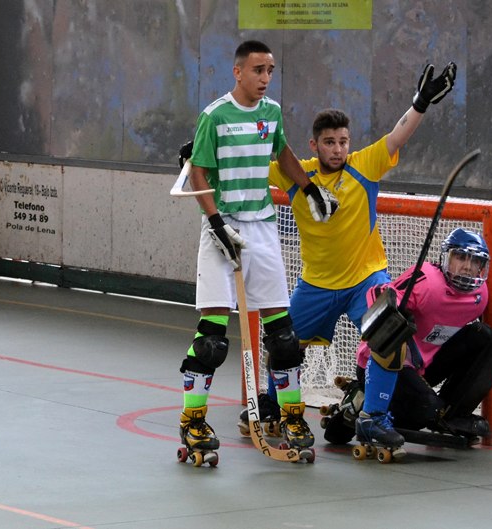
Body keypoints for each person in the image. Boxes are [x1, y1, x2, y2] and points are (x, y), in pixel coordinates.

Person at [252, 62, 457, 428]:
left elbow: (397, 137)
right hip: (316, 284)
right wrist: (202, 155)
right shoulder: (297, 173)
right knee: (283, 342)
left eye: (343, 142)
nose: (338, 149)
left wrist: (421, 102)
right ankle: (273, 401)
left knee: (389, 334)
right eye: (329, 142)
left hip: (366, 279)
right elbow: (247, 166)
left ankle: (375, 417)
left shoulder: (363, 166)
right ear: (314, 145)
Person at [176, 40, 337, 460]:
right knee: (212, 338)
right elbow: (197, 173)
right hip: (223, 227)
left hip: (263, 229)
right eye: (258, 70)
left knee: (283, 337)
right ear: (238, 72)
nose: (265, 78)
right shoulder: (215, 116)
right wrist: (216, 225)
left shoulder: (272, 113)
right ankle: (193, 421)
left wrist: (309, 189)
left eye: (270, 71)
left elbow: (282, 153)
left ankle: (292, 416)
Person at [350, 228, 492, 450]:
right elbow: (378, 293)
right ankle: (364, 405)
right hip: (386, 365)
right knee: (424, 413)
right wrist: (394, 312)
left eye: (475, 261)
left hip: (422, 366)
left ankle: (450, 412)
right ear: (447, 258)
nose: (467, 266)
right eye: (460, 257)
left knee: (482, 335)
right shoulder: (427, 280)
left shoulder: (480, 296)